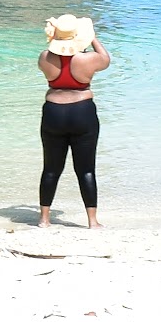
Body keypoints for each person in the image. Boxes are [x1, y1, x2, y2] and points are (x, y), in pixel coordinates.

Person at [35, 13, 109, 230]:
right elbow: (105, 58)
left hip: (53, 112)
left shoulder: (44, 57)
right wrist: (91, 37)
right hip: (82, 111)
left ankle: (44, 219)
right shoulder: (89, 60)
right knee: (86, 170)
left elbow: (53, 57)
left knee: (50, 168)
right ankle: (92, 221)